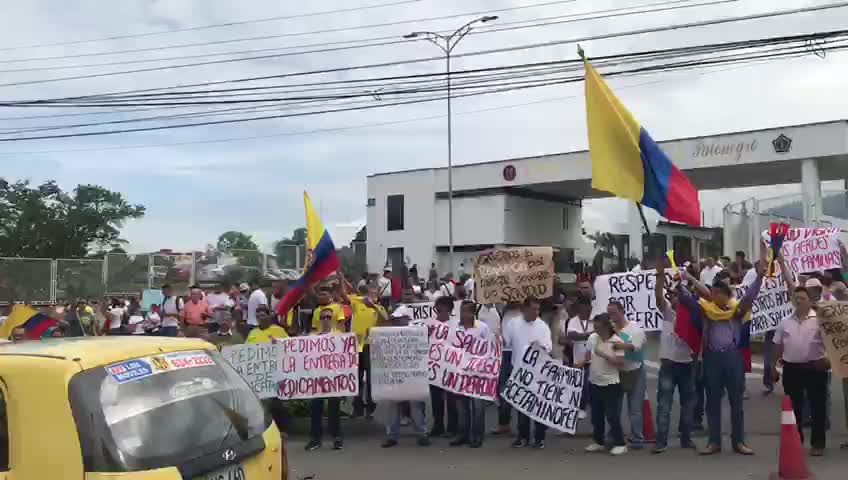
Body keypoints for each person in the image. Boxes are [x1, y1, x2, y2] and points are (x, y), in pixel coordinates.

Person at [678, 256, 765, 455]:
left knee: (736, 401)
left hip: (733, 358)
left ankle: (739, 442)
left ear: (727, 295)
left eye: (717, 293)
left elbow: (750, 296)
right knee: (713, 402)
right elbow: (687, 301)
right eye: (713, 292)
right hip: (712, 359)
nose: (713, 295)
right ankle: (714, 442)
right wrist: (681, 282)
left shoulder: (737, 310)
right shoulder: (707, 311)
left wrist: (759, 279)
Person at [771, 285, 830, 456]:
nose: (798, 301)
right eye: (796, 298)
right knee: (794, 407)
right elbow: (777, 345)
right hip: (792, 369)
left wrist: (828, 360)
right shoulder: (785, 321)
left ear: (810, 301)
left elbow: (831, 344)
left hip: (815, 368)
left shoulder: (820, 320)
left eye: (802, 298)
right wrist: (773, 367)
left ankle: (818, 443)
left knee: (817, 406)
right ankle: (796, 440)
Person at [653, 263, 696, 453]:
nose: (676, 299)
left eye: (681, 296)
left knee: (688, 405)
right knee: (664, 405)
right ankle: (661, 441)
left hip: (686, 365)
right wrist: (660, 277)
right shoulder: (668, 313)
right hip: (668, 365)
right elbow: (658, 297)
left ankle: (685, 438)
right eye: (675, 296)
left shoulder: (694, 315)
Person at [504, 296, 552, 449]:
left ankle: (539, 437)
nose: (536, 312)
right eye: (533, 309)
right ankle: (522, 436)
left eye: (538, 309)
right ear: (524, 309)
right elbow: (506, 342)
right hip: (519, 370)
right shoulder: (513, 324)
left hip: (537, 373)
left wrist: (541, 346)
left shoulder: (542, 326)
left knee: (538, 405)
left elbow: (549, 347)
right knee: (521, 405)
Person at [380, 305, 431, 448]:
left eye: (398, 319)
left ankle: (422, 434)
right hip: (396, 375)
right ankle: (392, 435)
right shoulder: (389, 333)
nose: (395, 322)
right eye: (394, 319)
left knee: (415, 406)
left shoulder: (417, 331)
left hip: (413, 376)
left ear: (407, 319)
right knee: (394, 405)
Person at [584, 313, 628, 456]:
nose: (595, 330)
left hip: (610, 383)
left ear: (606, 327)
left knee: (612, 415)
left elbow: (621, 364)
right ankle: (598, 441)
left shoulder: (616, 341)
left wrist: (606, 355)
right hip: (594, 381)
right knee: (596, 415)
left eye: (598, 327)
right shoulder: (592, 338)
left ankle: (620, 443)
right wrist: (582, 363)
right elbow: (588, 357)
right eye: (594, 326)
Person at [607, 300, 647, 449]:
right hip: (617, 371)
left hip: (635, 371)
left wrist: (619, 341)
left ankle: (637, 438)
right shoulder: (609, 328)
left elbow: (635, 347)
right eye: (610, 314)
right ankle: (614, 435)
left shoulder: (634, 328)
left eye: (614, 313)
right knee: (614, 407)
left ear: (622, 311)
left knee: (635, 408)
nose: (612, 316)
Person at [305, 308, 346, 452]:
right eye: (323, 317)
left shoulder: (339, 335)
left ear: (333, 318)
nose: (326, 319)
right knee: (316, 409)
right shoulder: (312, 336)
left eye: (329, 316)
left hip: (333, 379)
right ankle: (316, 439)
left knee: (334, 409)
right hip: (317, 378)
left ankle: (337, 438)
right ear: (319, 319)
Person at [451, 300, 491, 448]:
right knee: (461, 406)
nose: (462, 314)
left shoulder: (482, 328)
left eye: (466, 311)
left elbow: (489, 349)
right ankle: (463, 434)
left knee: (478, 406)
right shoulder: (455, 327)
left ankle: (477, 436)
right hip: (459, 372)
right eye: (461, 311)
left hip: (477, 373)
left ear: (472, 313)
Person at [350, 285, 387, 418]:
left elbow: (385, 320)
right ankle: (357, 407)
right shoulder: (357, 304)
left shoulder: (380, 309)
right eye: (369, 293)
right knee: (357, 377)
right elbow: (344, 296)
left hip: (372, 346)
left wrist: (374, 306)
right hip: (357, 345)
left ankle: (371, 408)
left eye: (374, 293)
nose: (371, 296)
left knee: (371, 378)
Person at [429, 296, 460, 438]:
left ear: (447, 309)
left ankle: (453, 427)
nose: (437, 310)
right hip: (434, 367)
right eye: (436, 308)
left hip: (450, 367)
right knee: (436, 400)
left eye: (439, 307)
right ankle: (438, 426)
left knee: (452, 400)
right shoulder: (431, 324)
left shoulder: (456, 324)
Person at [491, 302, 522, 436]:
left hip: (518, 353)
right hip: (504, 352)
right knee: (503, 389)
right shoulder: (503, 310)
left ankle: (522, 427)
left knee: (520, 389)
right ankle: (504, 423)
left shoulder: (522, 312)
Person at [566, 296, 594, 420]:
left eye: (587, 307)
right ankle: (581, 407)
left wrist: (581, 336)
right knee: (581, 386)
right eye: (582, 307)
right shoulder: (573, 320)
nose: (585, 310)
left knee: (591, 386)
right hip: (578, 360)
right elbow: (571, 335)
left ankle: (590, 411)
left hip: (593, 359)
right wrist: (588, 335)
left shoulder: (594, 320)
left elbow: (599, 334)